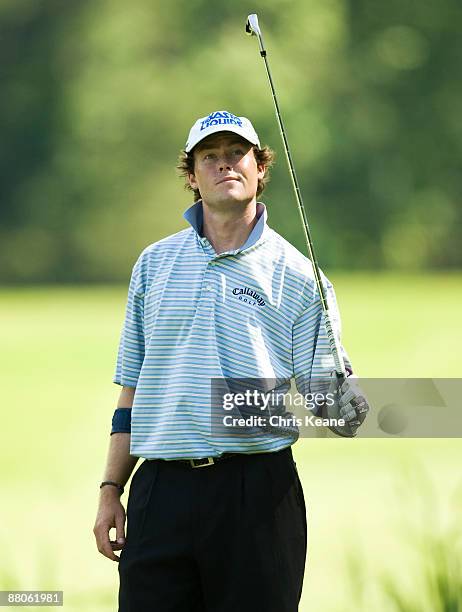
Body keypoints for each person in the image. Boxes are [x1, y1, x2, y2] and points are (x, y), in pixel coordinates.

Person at [93, 110, 368, 612]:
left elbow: (331, 409)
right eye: (210, 157)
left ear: (260, 168)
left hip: (257, 493)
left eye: (237, 154)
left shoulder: (300, 276)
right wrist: (112, 487)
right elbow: (132, 389)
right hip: (161, 490)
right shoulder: (153, 265)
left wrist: (342, 398)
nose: (225, 166)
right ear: (192, 177)